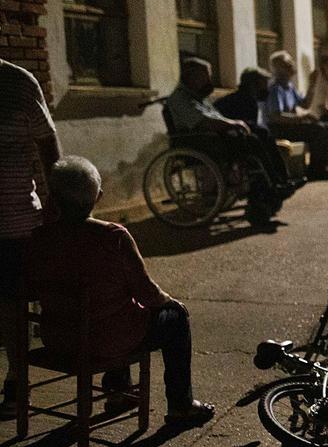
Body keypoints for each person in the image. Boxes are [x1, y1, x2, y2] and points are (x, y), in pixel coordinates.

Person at [25, 157, 215, 424]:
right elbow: (147, 293)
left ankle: (118, 391)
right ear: (98, 196)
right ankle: (180, 405)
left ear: (53, 198)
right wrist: (171, 301)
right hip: (106, 340)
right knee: (173, 318)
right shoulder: (113, 236)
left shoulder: (40, 238)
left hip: (59, 338)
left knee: (118, 309)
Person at [166, 57, 295, 227]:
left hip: (216, 136)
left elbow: (216, 118)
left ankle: (280, 180)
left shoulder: (197, 98)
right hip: (203, 142)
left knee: (263, 134)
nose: (209, 81)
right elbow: (204, 122)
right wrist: (234, 124)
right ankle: (270, 186)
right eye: (206, 77)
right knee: (254, 143)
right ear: (192, 76)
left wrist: (233, 124)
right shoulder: (180, 99)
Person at [0, 59, 61, 418]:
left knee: (11, 305)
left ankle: (16, 379)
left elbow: (48, 143)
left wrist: (57, 199)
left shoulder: (17, 82)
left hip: (15, 222)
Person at [265, 50, 328, 180]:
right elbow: (275, 117)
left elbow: (305, 104)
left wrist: (312, 85)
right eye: (288, 63)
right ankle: (315, 170)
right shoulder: (276, 88)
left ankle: (325, 166)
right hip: (279, 127)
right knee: (318, 130)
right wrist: (302, 117)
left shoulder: (289, 86)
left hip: (291, 124)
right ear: (279, 69)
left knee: (327, 127)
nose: (292, 65)